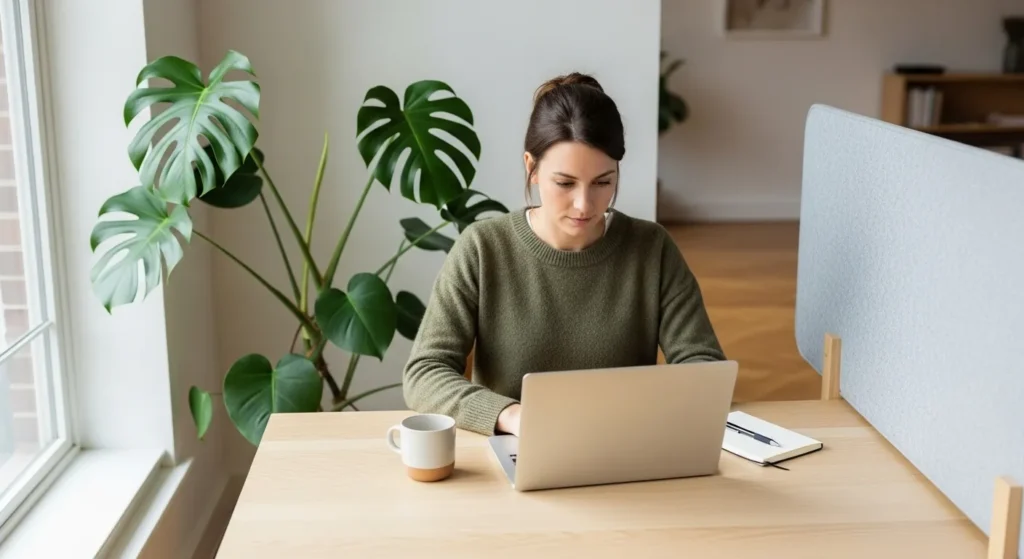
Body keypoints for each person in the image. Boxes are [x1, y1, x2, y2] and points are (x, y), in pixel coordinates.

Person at [402, 72, 726, 437]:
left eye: (603, 182)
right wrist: (513, 417)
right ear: (532, 168)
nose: (584, 204)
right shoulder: (482, 249)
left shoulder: (651, 249)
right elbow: (425, 371)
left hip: (625, 454)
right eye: (565, 183)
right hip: (515, 453)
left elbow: (704, 366)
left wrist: (648, 414)